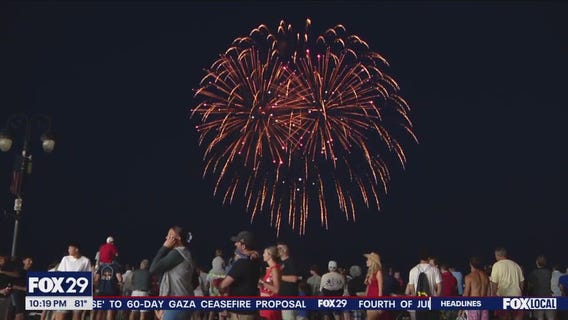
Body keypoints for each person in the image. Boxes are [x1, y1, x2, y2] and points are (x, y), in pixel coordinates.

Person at [150, 226, 194, 320]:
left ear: (178, 238)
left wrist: (164, 247)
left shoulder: (177, 253)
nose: (166, 238)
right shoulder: (187, 253)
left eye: (170, 235)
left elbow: (153, 269)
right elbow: (194, 281)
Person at [219, 231, 261, 320]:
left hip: (240, 313)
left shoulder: (241, 264)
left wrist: (221, 289)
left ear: (243, 246)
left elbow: (224, 285)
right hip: (251, 310)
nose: (235, 244)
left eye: (237, 242)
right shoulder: (256, 263)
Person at [55, 242, 92, 320]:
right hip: (65, 291)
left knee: (77, 315)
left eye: (70, 248)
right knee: (61, 315)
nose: (68, 250)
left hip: (78, 292)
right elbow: (59, 273)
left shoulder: (85, 261)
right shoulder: (65, 259)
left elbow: (88, 277)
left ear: (76, 249)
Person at [490, 247, 524, 320]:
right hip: (517, 297)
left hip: (503, 297)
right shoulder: (516, 265)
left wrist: (493, 296)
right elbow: (522, 282)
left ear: (497, 255)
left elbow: (494, 284)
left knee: (504, 317)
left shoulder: (496, 265)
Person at [527, 255, 554, 320]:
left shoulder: (533, 273)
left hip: (538, 297)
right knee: (550, 317)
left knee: (539, 317)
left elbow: (529, 286)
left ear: (536, 262)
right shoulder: (549, 272)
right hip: (548, 296)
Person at [277, 243, 299, 320]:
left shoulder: (290, 262)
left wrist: (278, 277)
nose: (277, 250)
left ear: (285, 250)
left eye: (279, 248)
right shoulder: (279, 263)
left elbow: (294, 278)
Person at [259, 246, 282, 320]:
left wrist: (262, 283)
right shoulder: (270, 269)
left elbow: (276, 289)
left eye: (264, 253)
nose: (263, 255)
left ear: (270, 255)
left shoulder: (274, 269)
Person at [363, 253, 383, 320]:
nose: (366, 261)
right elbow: (368, 288)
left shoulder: (378, 272)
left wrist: (380, 305)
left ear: (373, 261)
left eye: (368, 259)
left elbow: (380, 290)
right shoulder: (370, 273)